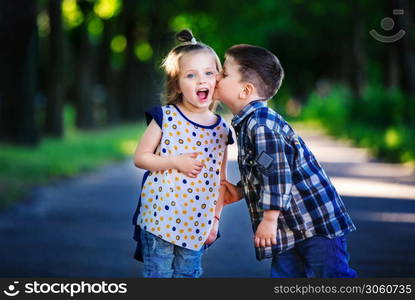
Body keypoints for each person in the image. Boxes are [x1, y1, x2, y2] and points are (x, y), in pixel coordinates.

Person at [216, 44, 357, 278]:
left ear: (245, 90)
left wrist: (269, 220)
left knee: (331, 276)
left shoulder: (260, 125)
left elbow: (277, 174)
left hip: (314, 225)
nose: (217, 77)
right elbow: (265, 167)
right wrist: (241, 190)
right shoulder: (250, 122)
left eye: (224, 73)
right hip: (289, 228)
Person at [131, 29, 233, 278]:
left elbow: (219, 182)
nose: (202, 81)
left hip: (196, 224)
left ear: (218, 79)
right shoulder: (166, 117)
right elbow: (141, 157)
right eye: (191, 75)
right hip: (160, 220)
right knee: (159, 275)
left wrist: (215, 220)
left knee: (188, 276)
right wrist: (174, 162)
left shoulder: (221, 129)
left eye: (209, 73)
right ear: (177, 84)